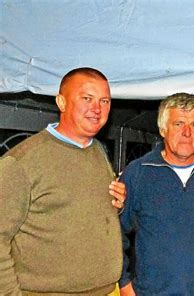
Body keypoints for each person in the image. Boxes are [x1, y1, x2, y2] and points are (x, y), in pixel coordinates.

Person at [0, 67, 126, 295]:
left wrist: (114, 207)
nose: (97, 109)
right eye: (87, 98)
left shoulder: (97, 150)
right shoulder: (22, 162)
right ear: (61, 102)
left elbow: (72, 212)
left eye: (105, 101)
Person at [119, 93, 194, 296]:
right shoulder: (138, 172)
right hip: (151, 292)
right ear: (163, 129)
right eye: (178, 124)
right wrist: (124, 284)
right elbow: (115, 232)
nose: (186, 132)